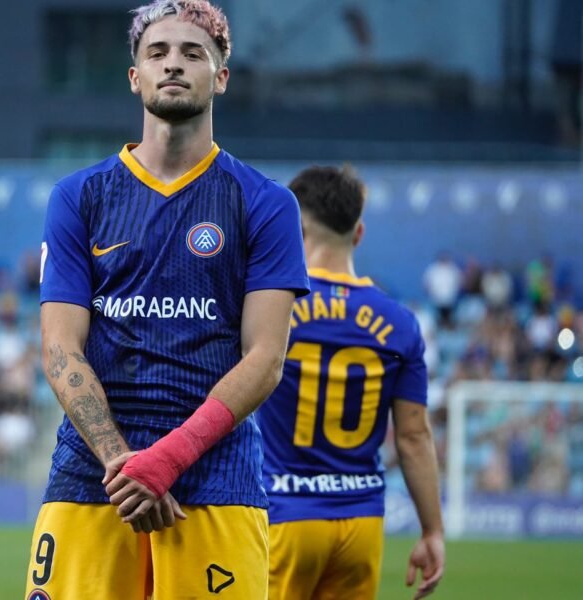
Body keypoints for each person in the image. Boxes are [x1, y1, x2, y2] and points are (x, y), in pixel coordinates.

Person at [26, 2, 310, 598]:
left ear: (221, 77)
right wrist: (124, 463)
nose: (173, 64)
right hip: (93, 478)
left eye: (192, 53)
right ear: (135, 77)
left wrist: (170, 458)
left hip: (214, 478)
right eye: (157, 53)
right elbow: (60, 349)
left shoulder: (265, 202)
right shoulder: (79, 196)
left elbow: (265, 359)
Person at [257, 166, 445, 600]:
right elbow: (414, 437)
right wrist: (432, 530)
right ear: (358, 233)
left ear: (294, 228)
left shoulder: (272, 310)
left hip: (284, 513)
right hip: (361, 521)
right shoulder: (401, 324)